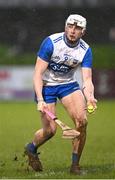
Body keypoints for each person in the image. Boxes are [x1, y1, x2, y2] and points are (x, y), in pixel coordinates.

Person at [25, 14, 97, 174]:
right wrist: (40, 99)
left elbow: (87, 79)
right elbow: (37, 73)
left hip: (67, 85)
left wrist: (90, 96)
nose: (73, 31)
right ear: (65, 27)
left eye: (77, 28)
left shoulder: (85, 50)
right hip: (46, 86)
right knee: (50, 131)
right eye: (70, 26)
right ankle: (31, 148)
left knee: (82, 122)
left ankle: (75, 166)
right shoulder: (51, 43)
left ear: (83, 32)